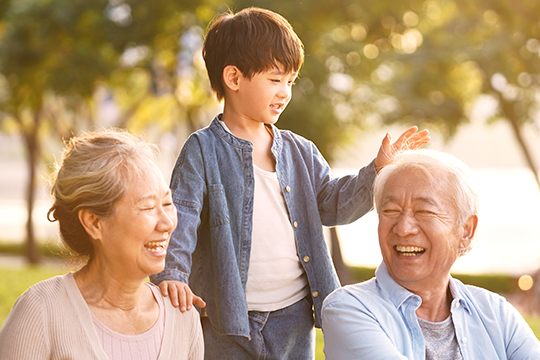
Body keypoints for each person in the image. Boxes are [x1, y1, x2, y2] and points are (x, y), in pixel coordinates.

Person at [149, 7, 429, 359]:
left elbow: (333, 204)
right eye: (275, 79)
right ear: (234, 78)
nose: (285, 92)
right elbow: (182, 217)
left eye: (290, 81)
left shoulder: (300, 151)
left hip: (294, 319)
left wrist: (377, 169)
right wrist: (171, 273)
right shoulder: (202, 150)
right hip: (227, 322)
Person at [0, 129, 204, 360]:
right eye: (148, 207)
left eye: (167, 203)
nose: (168, 223)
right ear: (94, 222)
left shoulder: (182, 317)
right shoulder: (41, 312)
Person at [321, 149, 540, 359]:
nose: (403, 228)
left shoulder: (495, 312)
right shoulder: (348, 309)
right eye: (391, 211)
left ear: (466, 230)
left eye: (423, 211)